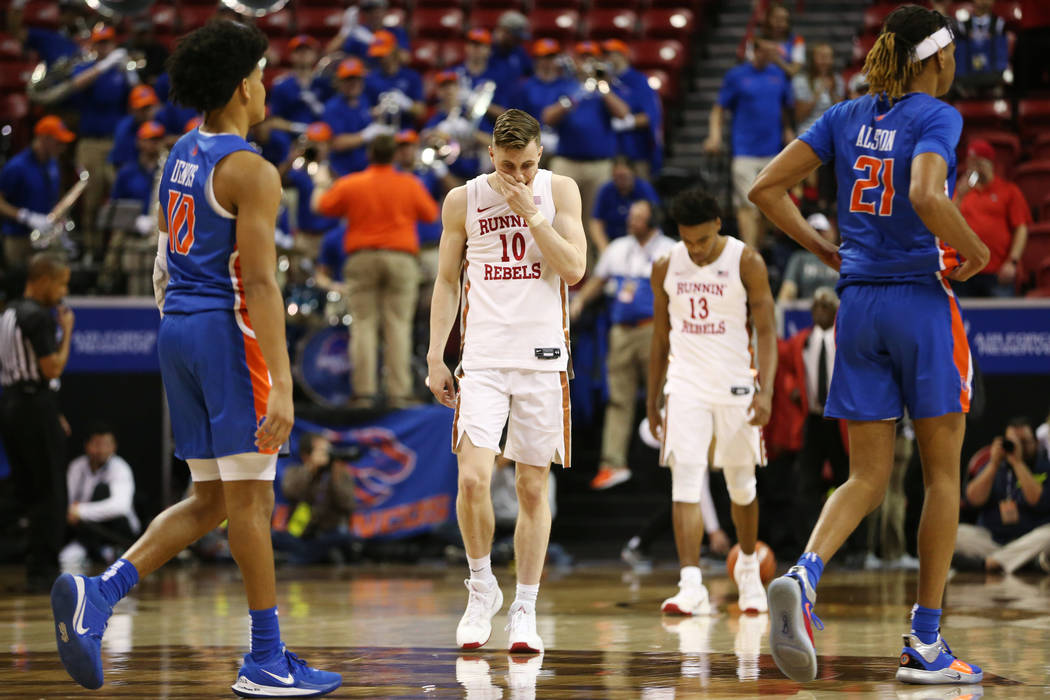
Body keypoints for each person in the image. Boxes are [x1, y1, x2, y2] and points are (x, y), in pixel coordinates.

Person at [48, 20, 341, 697]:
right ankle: (266, 656)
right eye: (263, 74)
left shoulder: (182, 150)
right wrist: (285, 388)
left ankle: (101, 593)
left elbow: (161, 258)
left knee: (210, 497)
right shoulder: (252, 170)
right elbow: (263, 285)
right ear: (243, 85)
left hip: (177, 325)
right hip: (225, 335)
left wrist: (178, 321)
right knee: (252, 500)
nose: (266, 85)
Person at [748, 5, 990, 685]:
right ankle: (926, 643)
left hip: (856, 306)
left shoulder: (845, 116)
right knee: (942, 477)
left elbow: (764, 189)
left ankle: (805, 572)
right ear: (939, 60)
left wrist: (826, 248)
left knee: (865, 478)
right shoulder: (936, 115)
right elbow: (924, 192)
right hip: (918, 302)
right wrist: (975, 249)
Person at [426, 109, 586, 653]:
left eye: (529, 165)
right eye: (510, 164)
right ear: (491, 154)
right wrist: (435, 355)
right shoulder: (462, 200)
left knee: (531, 487)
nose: (519, 175)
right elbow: (447, 282)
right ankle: (481, 588)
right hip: (484, 357)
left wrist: (532, 215)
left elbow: (574, 268)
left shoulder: (560, 189)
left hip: (543, 356)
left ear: (541, 156)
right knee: (472, 479)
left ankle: (524, 607)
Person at [645, 188, 776, 617]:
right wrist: (653, 399)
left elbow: (767, 332)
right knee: (684, 483)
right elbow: (660, 339)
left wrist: (767, 390)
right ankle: (691, 584)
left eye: (702, 240)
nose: (696, 250)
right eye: (687, 241)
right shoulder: (666, 265)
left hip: (737, 384)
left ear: (719, 223)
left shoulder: (746, 261)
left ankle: (750, 573)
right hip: (684, 385)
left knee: (742, 485)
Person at [313, 134, 439, 409]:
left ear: (369, 155)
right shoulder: (409, 183)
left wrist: (322, 183)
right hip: (401, 259)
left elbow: (320, 206)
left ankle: (364, 394)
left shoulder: (352, 183)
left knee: (364, 324)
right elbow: (430, 214)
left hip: (362, 258)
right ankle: (399, 394)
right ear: (394, 156)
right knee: (398, 324)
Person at [571, 199, 675, 490]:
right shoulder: (618, 248)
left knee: (664, 395)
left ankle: (674, 454)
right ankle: (612, 463)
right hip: (621, 332)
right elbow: (599, 280)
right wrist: (580, 300)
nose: (632, 222)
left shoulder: (669, 249)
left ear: (653, 220)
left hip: (655, 329)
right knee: (618, 398)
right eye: (631, 216)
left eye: (639, 217)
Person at [0, 254, 73, 593]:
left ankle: (34, 564)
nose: (63, 292)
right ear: (42, 280)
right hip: (34, 406)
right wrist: (67, 332)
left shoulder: (9, 312)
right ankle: (45, 571)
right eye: (60, 284)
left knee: (27, 489)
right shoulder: (38, 317)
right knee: (49, 491)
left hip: (13, 404)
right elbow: (52, 369)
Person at [704, 39, 794, 250]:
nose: (772, 54)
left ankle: (756, 254)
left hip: (773, 152)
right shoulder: (737, 76)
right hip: (744, 151)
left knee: (767, 209)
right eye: (767, 50)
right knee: (747, 205)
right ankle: (749, 255)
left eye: (774, 50)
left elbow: (784, 108)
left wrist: (788, 130)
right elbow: (718, 109)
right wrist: (714, 136)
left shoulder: (779, 75)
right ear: (756, 50)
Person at [542, 42, 631, 256]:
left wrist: (603, 89)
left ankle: (593, 276)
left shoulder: (606, 87)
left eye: (592, 58)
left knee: (594, 222)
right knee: (559, 220)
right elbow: (547, 118)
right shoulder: (565, 85)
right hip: (567, 162)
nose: (587, 62)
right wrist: (572, 99)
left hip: (599, 165)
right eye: (583, 57)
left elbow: (623, 113)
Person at [66, 25, 136, 262]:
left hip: (116, 143)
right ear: (93, 45)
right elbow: (76, 85)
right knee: (91, 201)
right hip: (91, 143)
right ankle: (91, 252)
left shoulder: (120, 71)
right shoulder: (87, 68)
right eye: (100, 43)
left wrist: (131, 73)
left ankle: (111, 259)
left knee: (122, 200)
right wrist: (103, 66)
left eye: (108, 42)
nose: (104, 47)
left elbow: (139, 98)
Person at [956, 418, 1050, 574]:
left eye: (1024, 442)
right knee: (955, 534)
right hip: (993, 540)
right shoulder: (992, 465)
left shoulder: (1044, 466)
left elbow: (1037, 500)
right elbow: (972, 499)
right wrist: (993, 464)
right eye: (1012, 442)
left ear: (1035, 442)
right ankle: (1021, 562)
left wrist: (1018, 464)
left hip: (1030, 538)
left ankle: (992, 563)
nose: (1018, 447)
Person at [953, 138, 1030, 297]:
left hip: (997, 272)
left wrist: (1012, 262)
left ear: (990, 164)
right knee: (964, 319)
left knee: (1002, 320)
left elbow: (1021, 228)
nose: (975, 168)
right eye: (971, 163)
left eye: (979, 163)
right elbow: (948, 223)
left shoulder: (1008, 190)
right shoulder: (961, 191)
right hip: (964, 271)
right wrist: (959, 197)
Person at [61, 423, 141, 569]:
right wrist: (72, 512)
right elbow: (67, 501)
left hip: (117, 530)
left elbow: (121, 507)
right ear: (87, 445)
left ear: (114, 447)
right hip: (85, 530)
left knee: (101, 490)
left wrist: (80, 511)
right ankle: (89, 550)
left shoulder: (120, 467)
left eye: (107, 444)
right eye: (97, 444)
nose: (102, 450)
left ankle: (108, 551)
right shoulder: (77, 466)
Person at [102, 120, 167, 295]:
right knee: (137, 287)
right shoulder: (127, 173)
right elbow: (113, 209)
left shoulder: (168, 170)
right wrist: (135, 221)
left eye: (158, 139)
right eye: (150, 139)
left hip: (161, 238)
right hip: (133, 238)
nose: (154, 144)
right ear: (140, 142)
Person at [0, 116, 74, 268]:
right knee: (21, 286)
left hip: (45, 238)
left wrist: (60, 219)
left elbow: (55, 196)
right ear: (44, 139)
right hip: (19, 239)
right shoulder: (16, 167)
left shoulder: (53, 164)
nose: (62, 148)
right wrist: (25, 216)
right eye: (58, 142)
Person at [274, 434, 357, 565]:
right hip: (301, 534)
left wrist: (334, 476)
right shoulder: (295, 472)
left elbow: (348, 504)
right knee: (273, 536)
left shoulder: (340, 474)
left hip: (329, 533)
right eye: (321, 451)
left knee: (344, 536)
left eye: (328, 450)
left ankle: (299, 559)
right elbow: (290, 492)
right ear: (306, 455)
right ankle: (313, 556)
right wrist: (311, 468)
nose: (327, 455)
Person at [602, 39, 664, 178]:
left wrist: (626, 122)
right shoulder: (604, 81)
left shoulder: (638, 81)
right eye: (605, 55)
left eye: (612, 54)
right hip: (610, 152)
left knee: (640, 189)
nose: (608, 59)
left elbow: (650, 117)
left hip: (636, 151)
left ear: (624, 55)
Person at [323, 57, 391, 177]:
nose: (353, 84)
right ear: (340, 82)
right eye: (349, 80)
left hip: (366, 170)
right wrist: (365, 135)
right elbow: (336, 143)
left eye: (357, 79)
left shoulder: (364, 101)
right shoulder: (332, 108)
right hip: (342, 171)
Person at [589, 156, 660, 254]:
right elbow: (596, 222)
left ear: (633, 173)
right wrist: (604, 249)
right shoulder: (606, 190)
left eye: (624, 176)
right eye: (617, 176)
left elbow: (655, 219)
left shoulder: (644, 189)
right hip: (611, 241)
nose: (621, 180)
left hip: (640, 241)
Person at [364, 30, 425, 128]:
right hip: (379, 130)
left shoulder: (411, 77)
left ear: (394, 50)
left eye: (383, 54)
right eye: (378, 55)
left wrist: (406, 104)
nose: (381, 58)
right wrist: (378, 110)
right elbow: (363, 111)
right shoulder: (370, 79)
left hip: (405, 132)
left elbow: (421, 112)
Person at [268, 35, 332, 127]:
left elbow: (334, 113)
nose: (303, 54)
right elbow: (274, 118)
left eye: (307, 50)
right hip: (291, 135)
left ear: (315, 55)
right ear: (291, 55)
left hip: (321, 135)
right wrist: (296, 128)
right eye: (298, 51)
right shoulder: (282, 86)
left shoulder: (324, 84)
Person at [777, 213, 841, 302]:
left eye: (821, 231)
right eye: (813, 231)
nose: (817, 235)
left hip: (838, 308)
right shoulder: (799, 258)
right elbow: (788, 288)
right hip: (808, 310)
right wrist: (782, 309)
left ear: (831, 233)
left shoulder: (840, 256)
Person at [955, 0, 1009, 96]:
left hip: (992, 75)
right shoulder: (963, 26)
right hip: (968, 77)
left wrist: (999, 76)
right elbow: (960, 59)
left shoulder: (999, 24)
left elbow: (1001, 56)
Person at [745, 2, 806, 78]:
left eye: (783, 19)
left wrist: (776, 59)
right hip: (758, 81)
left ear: (788, 22)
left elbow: (793, 71)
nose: (779, 22)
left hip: (785, 84)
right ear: (768, 19)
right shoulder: (755, 40)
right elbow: (749, 66)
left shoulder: (797, 40)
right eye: (776, 18)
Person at [109, 85, 162, 171]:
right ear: (132, 109)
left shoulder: (159, 122)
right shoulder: (125, 128)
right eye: (143, 108)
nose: (147, 112)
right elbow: (121, 163)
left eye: (150, 107)